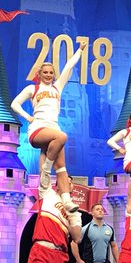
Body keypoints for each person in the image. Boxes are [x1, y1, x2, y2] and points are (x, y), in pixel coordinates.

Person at [11, 46, 85, 210]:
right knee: (62, 137)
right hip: (38, 129)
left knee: (62, 167)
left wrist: (79, 51)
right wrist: (28, 117)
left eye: (51, 72)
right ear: (39, 73)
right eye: (45, 72)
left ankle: (66, 201)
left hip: (53, 128)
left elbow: (68, 67)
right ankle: (45, 171)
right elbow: (14, 103)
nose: (49, 75)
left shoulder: (57, 87)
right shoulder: (33, 88)